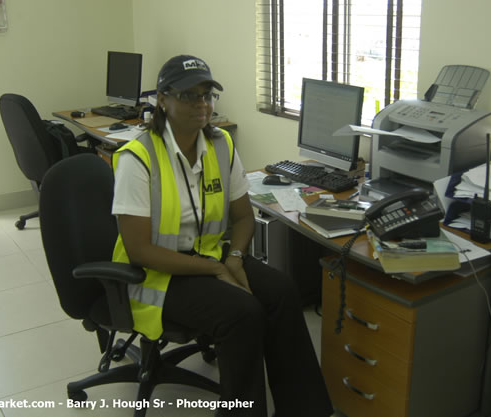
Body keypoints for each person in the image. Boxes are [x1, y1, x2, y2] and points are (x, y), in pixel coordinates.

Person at [111, 54, 333, 417]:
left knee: (281, 290)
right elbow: (139, 251)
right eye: (188, 96)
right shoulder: (138, 159)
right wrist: (215, 271)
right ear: (162, 100)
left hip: (212, 256)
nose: (202, 105)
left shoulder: (220, 145)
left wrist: (234, 259)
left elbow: (243, 217)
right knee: (241, 312)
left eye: (207, 95)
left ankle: (304, 410)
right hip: (158, 275)